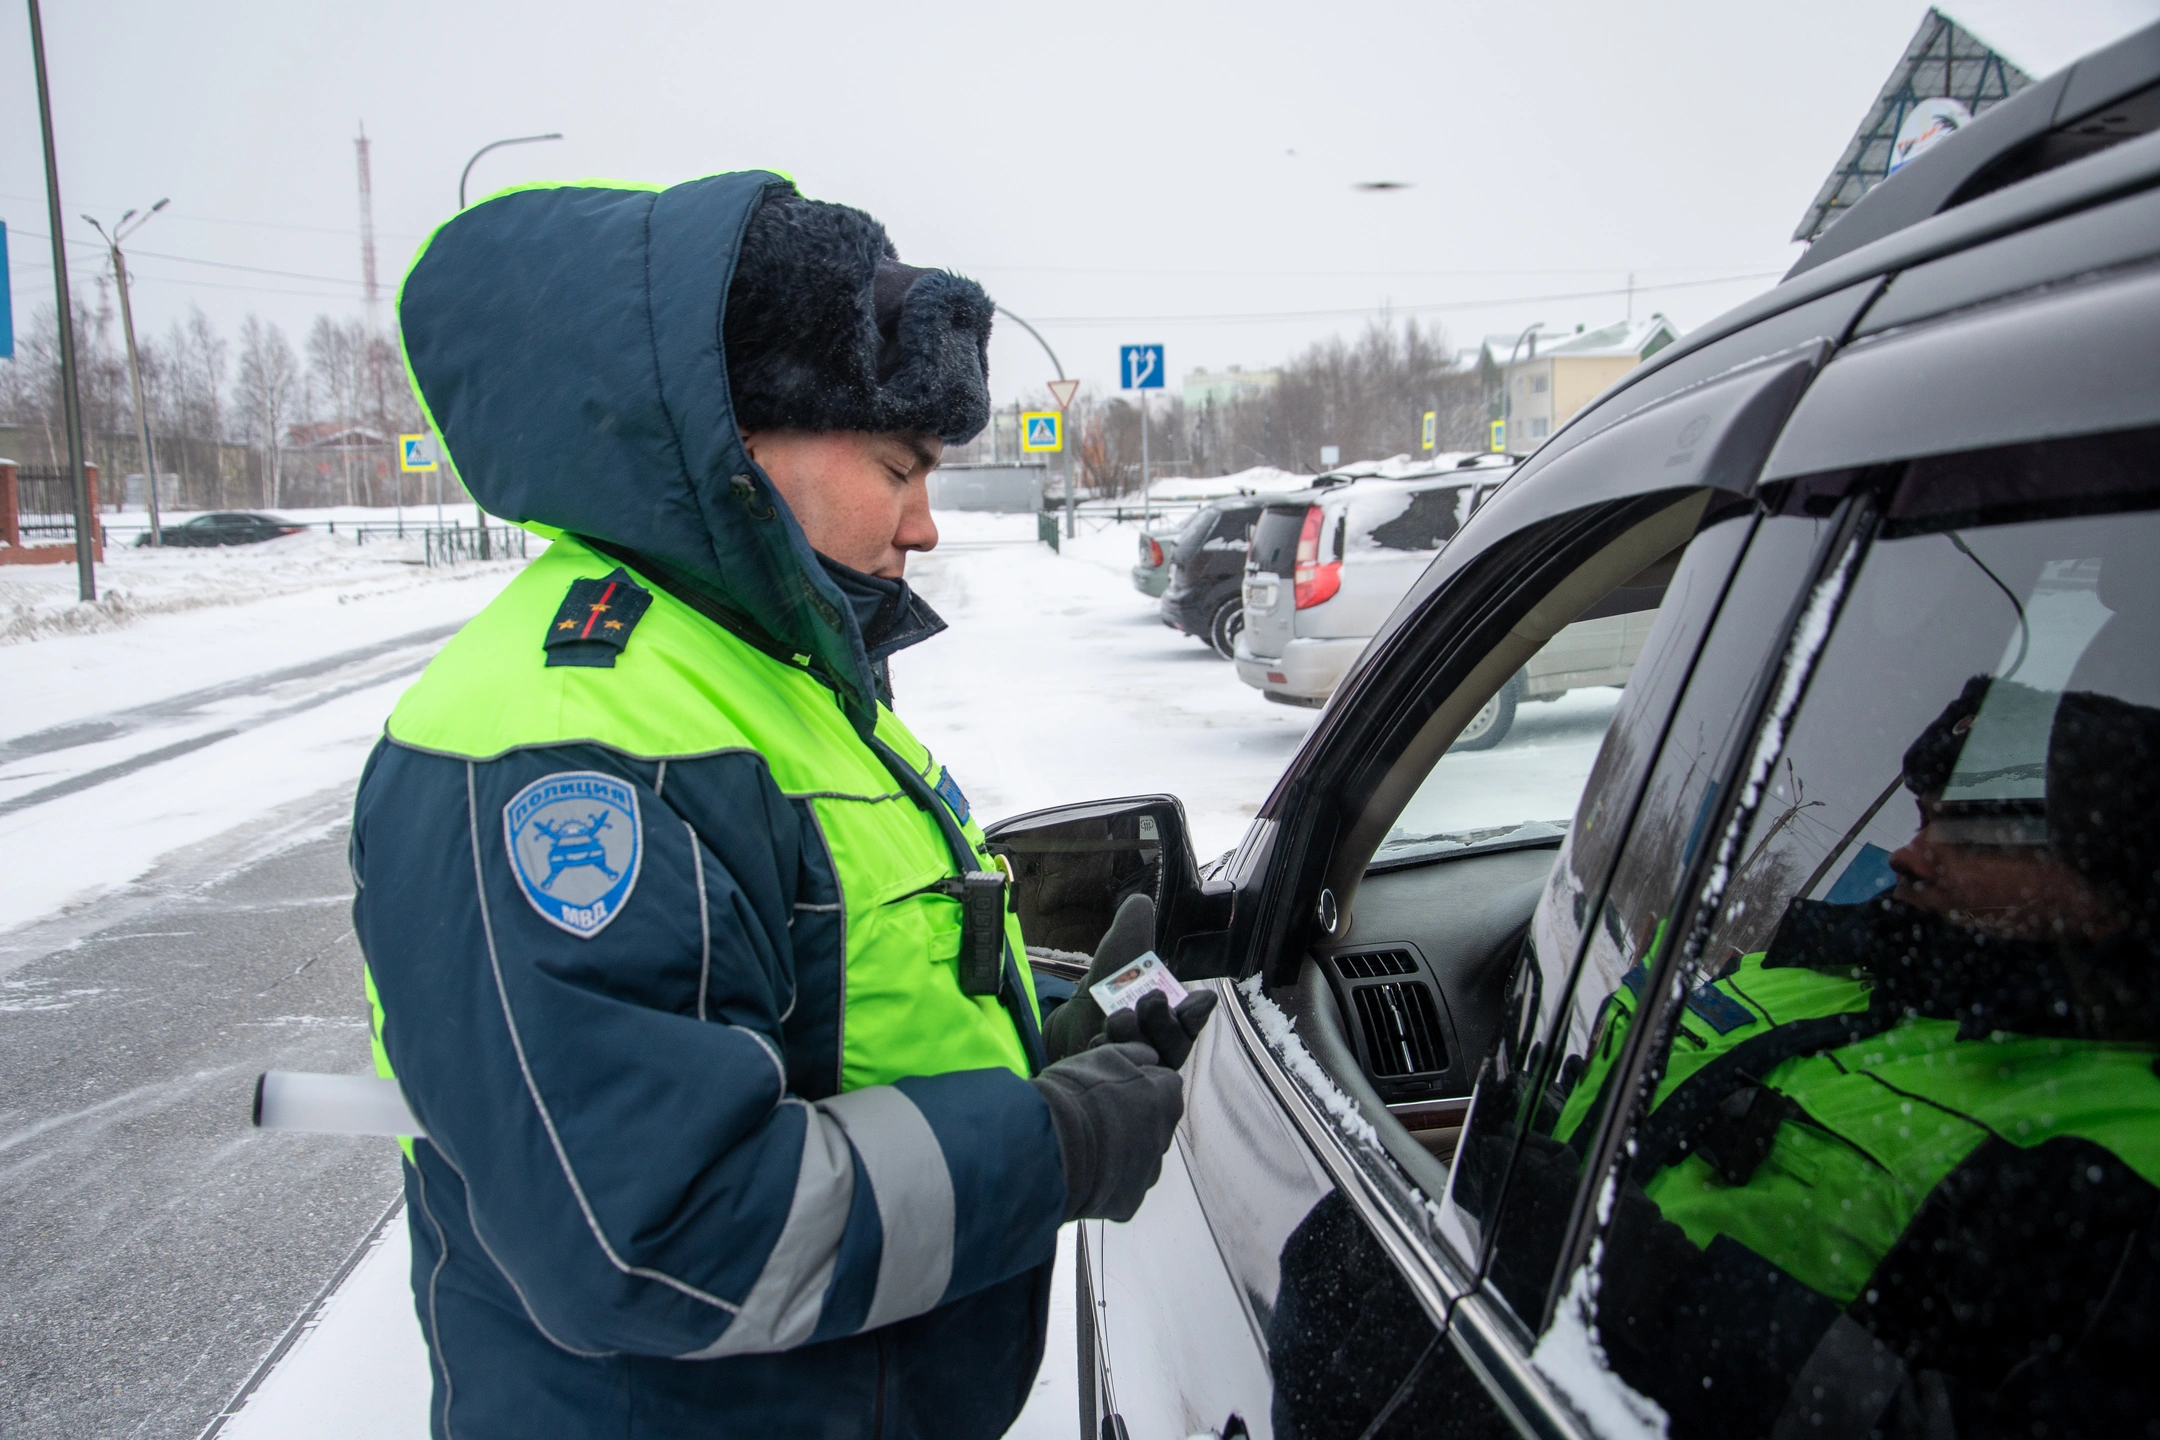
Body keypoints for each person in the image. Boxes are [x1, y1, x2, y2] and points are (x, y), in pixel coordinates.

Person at [351, 171, 1212, 1440]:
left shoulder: (755, 671)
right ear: (738, 433)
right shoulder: (571, 743)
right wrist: (1047, 1145)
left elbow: (831, 1021)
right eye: (898, 466)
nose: (925, 524)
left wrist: (1046, 1051)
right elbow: (656, 1232)